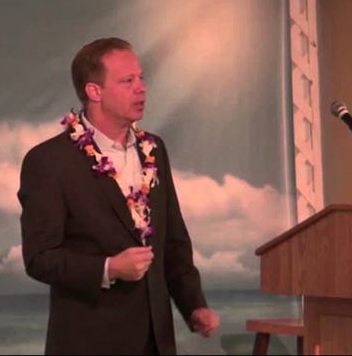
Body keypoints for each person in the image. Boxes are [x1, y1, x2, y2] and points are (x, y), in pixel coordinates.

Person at [18, 37, 219, 355]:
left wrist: (194, 305)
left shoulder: (154, 149)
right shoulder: (49, 162)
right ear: (94, 91)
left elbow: (173, 242)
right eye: (128, 81)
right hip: (90, 343)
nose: (141, 89)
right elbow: (40, 258)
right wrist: (108, 268)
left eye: (141, 78)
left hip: (157, 343)